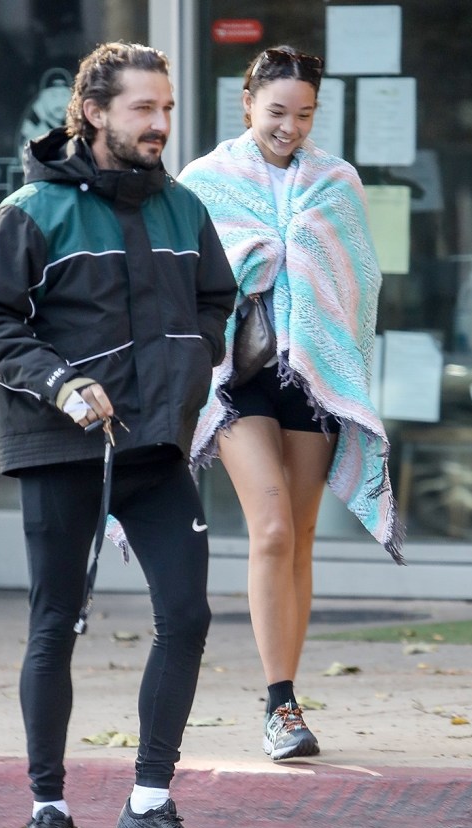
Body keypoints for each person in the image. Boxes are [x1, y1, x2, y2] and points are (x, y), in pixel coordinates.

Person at [0, 42, 236, 828]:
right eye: (144, 108)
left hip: (154, 446)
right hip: (61, 445)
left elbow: (216, 298)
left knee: (186, 614)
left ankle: (149, 805)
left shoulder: (185, 207)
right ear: (96, 113)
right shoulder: (35, 208)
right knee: (56, 624)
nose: (160, 124)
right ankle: (47, 810)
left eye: (167, 108)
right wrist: (59, 382)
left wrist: (196, 356)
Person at [178, 46, 404, 763]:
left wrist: (303, 262)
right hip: (237, 371)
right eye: (277, 112)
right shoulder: (204, 181)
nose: (290, 126)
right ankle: (278, 705)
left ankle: (288, 697)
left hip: (313, 371)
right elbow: (185, 279)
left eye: (304, 114)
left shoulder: (337, 181)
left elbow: (359, 283)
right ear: (247, 104)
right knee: (271, 527)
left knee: (301, 536)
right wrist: (260, 258)